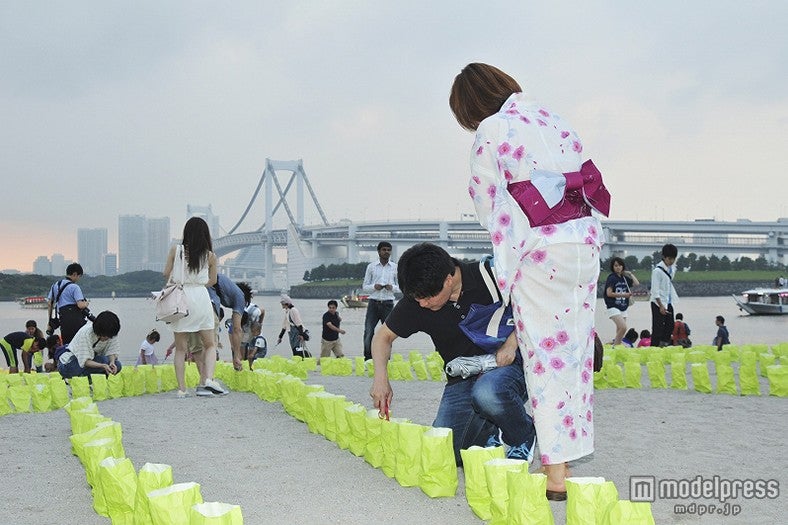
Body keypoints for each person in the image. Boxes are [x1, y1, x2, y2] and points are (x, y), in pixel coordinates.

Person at [450, 63, 610, 498]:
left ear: (471, 106)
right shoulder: (556, 120)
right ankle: (565, 460)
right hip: (583, 244)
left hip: (541, 250)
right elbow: (584, 179)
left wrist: (506, 235)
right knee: (573, 355)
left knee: (544, 358)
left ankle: (556, 475)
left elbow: (485, 198)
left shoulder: (493, 128)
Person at [370, 243, 536, 467]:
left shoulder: (491, 275)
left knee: (487, 393)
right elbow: (382, 337)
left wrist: (511, 343)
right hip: (463, 378)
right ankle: (487, 432)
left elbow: (536, 305)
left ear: (448, 280)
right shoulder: (418, 297)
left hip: (509, 367)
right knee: (445, 453)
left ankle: (522, 435)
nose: (422, 304)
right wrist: (381, 379)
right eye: (417, 298)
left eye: (427, 298)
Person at [163, 217, 227, 398]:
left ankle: (182, 390)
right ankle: (208, 379)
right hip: (200, 298)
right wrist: (198, 284)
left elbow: (166, 273)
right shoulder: (210, 256)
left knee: (181, 348)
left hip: (180, 299)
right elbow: (213, 281)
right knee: (210, 344)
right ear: (205, 234)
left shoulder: (175, 250)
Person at [362, 241, 400, 360]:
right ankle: (368, 358)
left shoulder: (395, 267)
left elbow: (400, 287)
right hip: (374, 303)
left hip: (388, 304)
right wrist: (374, 287)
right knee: (369, 331)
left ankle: (386, 359)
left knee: (389, 333)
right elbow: (364, 287)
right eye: (384, 250)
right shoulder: (371, 267)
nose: (386, 252)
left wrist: (392, 287)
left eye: (388, 250)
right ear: (378, 251)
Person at [56, 311, 122, 378]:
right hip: (69, 363)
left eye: (109, 336)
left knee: (117, 365)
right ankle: (87, 376)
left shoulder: (111, 333)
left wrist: (112, 362)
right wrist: (103, 366)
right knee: (103, 360)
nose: (107, 338)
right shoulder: (86, 333)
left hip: (91, 362)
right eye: (104, 336)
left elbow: (112, 352)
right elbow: (85, 361)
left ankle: (87, 376)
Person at [209, 274, 248, 370]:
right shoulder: (240, 298)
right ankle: (208, 375)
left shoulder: (229, 288)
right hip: (208, 294)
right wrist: (236, 356)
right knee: (210, 344)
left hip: (199, 289)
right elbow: (237, 329)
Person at [46, 263, 90, 345]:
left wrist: (50, 322)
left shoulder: (55, 285)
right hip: (75, 320)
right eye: (79, 276)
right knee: (79, 344)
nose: (78, 279)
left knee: (67, 345)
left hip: (63, 320)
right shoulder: (74, 287)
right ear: (75, 274)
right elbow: (80, 305)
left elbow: (49, 304)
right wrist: (86, 303)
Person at [604, 257, 640, 346]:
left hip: (623, 307)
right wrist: (624, 295)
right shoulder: (612, 278)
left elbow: (636, 283)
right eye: (616, 266)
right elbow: (609, 293)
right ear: (612, 267)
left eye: (620, 265)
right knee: (623, 327)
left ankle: (615, 345)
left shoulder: (624, 278)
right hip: (613, 306)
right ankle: (615, 347)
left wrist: (630, 274)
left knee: (619, 330)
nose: (618, 267)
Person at [649, 243, 679, 347]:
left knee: (670, 326)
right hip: (658, 303)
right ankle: (654, 348)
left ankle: (663, 345)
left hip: (668, 302)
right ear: (664, 257)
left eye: (673, 259)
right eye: (669, 259)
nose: (671, 261)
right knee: (657, 328)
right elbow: (655, 290)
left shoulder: (671, 269)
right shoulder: (657, 271)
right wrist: (661, 305)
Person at [236, 282, 266, 369]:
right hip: (245, 331)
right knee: (241, 349)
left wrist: (260, 323)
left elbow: (263, 311)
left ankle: (250, 368)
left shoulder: (254, 312)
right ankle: (242, 366)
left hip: (254, 330)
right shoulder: (237, 310)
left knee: (252, 353)